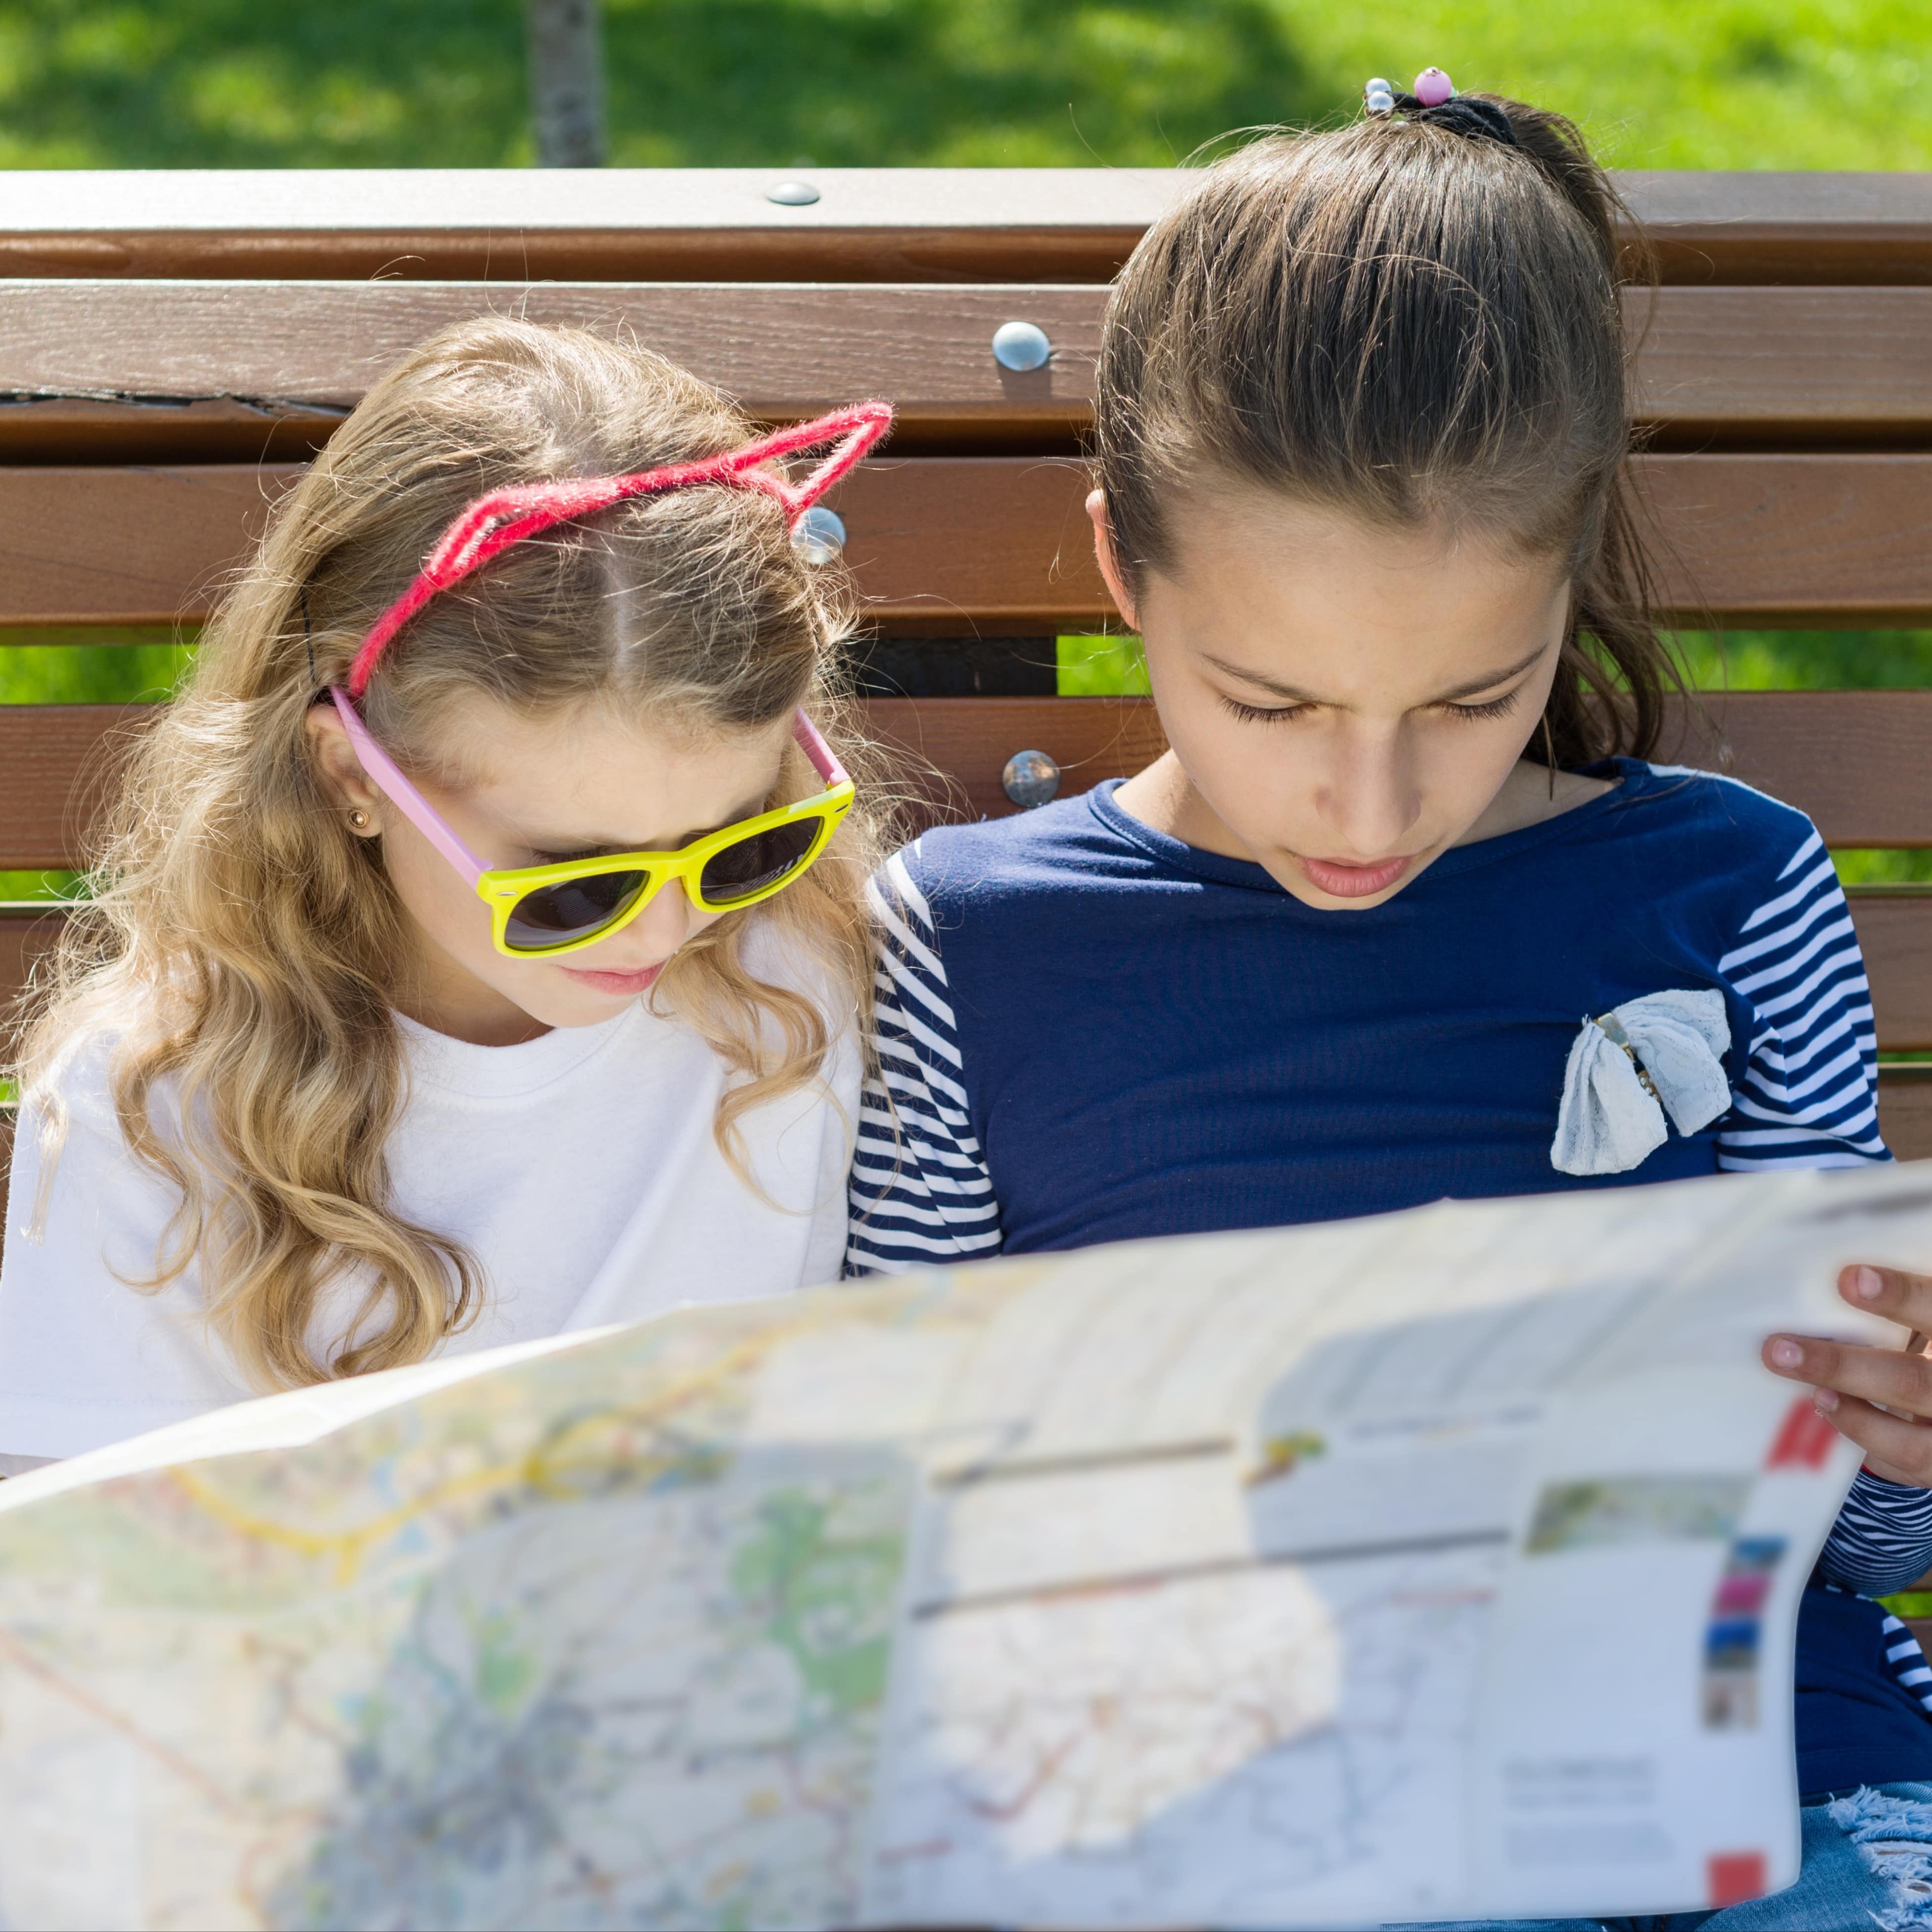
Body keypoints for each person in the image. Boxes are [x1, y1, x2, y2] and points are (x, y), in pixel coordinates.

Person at [848, 75, 1932, 1928]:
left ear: (1566, 581)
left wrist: (1903, 1439)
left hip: (1751, 1768)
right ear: (1122, 565)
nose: (1368, 807)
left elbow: (1862, 1545)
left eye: (1466, 698)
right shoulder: (973, 941)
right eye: (1269, 706)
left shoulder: (1730, 893)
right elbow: (892, 1531)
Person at [0, 319, 893, 1467]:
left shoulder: (801, 969)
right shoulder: (165, 1108)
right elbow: (95, 1586)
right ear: (350, 777)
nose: (672, 927)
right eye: (579, 885)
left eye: (739, 845)